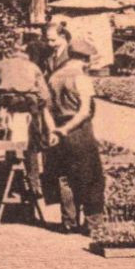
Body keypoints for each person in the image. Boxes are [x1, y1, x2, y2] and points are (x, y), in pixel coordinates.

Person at [43, 28, 105, 233]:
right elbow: (84, 111)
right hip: (79, 132)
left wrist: (54, 131)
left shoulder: (53, 77)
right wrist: (66, 129)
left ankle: (68, 222)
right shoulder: (81, 78)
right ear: (85, 59)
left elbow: (45, 109)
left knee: (64, 177)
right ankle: (93, 224)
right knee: (91, 177)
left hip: (58, 130)